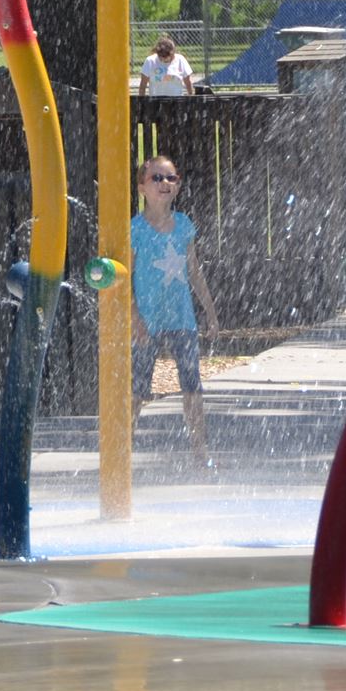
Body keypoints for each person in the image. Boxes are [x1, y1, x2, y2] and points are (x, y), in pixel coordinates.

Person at [129, 154, 219, 463]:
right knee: (139, 388)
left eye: (171, 178)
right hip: (147, 320)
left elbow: (193, 270)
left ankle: (199, 449)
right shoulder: (135, 229)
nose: (165, 183)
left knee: (192, 385)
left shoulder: (183, 225)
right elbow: (126, 277)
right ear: (141, 188)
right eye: (157, 178)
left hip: (182, 317)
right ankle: (123, 449)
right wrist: (134, 318)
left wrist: (208, 310)